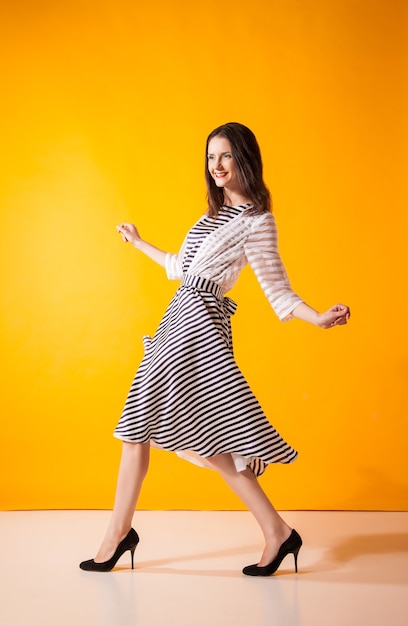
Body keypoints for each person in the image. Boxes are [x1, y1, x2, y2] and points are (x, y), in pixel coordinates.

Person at [79, 122, 350, 576]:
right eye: (210, 158)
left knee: (146, 429)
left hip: (198, 327)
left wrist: (318, 317)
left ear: (244, 159)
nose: (217, 166)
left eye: (225, 156)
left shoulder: (257, 222)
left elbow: (277, 289)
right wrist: (138, 240)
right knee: (191, 438)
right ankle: (276, 532)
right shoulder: (209, 218)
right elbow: (179, 267)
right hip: (177, 318)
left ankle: (118, 536)